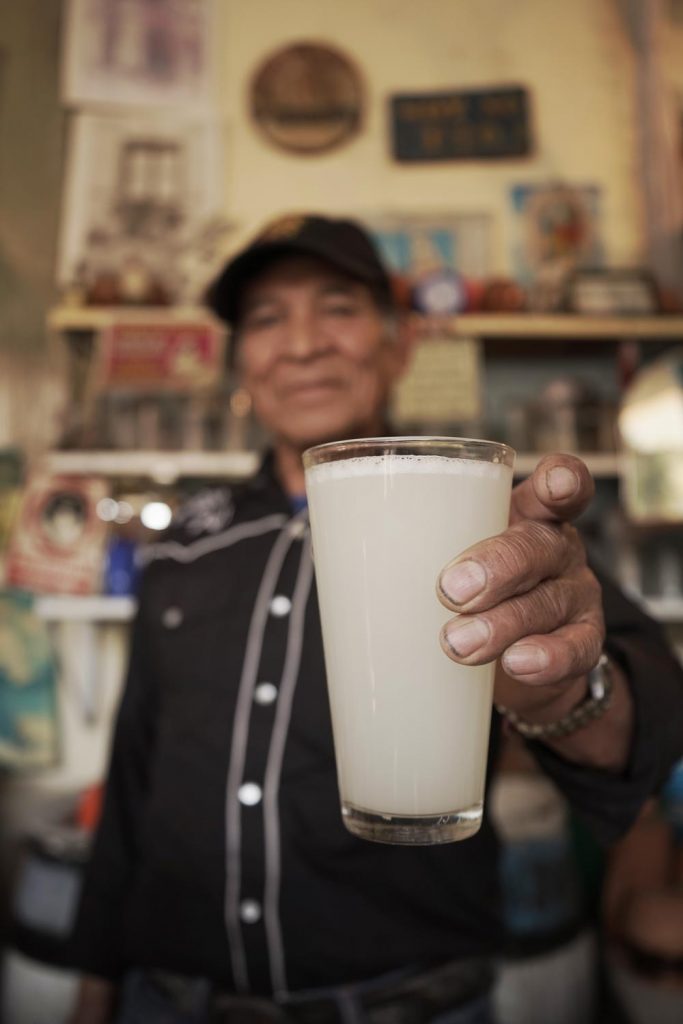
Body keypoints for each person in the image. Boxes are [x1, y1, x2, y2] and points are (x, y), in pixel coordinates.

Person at [66, 214, 683, 1024]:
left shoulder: (486, 519)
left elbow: (647, 712)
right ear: (243, 364)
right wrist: (93, 989)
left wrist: (562, 698)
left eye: (339, 308)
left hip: (413, 1003)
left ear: (398, 346)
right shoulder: (184, 546)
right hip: (169, 999)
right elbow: (134, 772)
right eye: (266, 319)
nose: (302, 343)